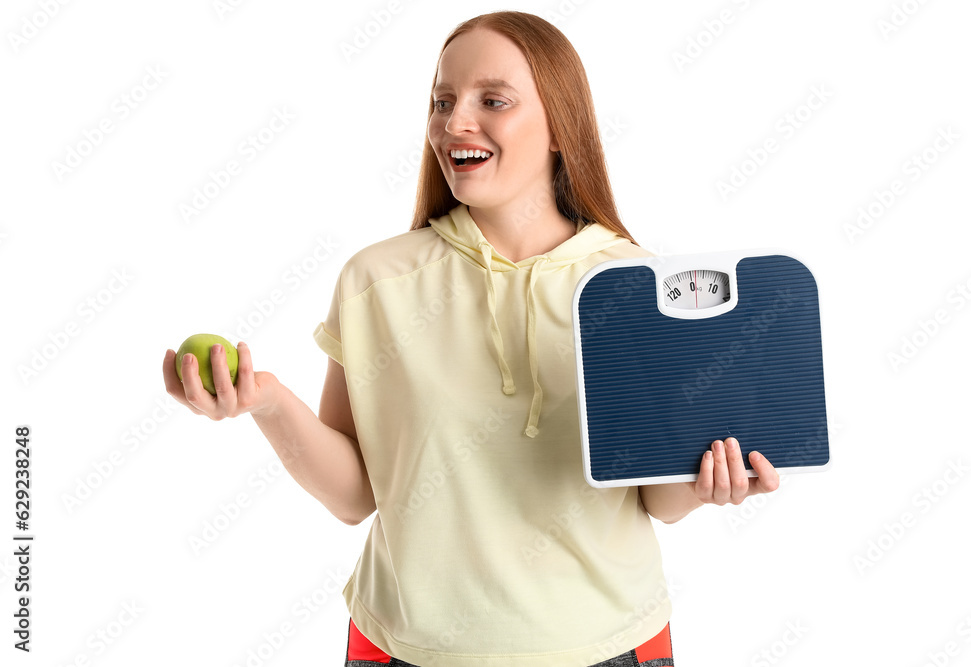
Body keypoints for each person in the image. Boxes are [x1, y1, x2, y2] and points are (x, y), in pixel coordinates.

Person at [163, 10, 780, 667]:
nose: (455, 122)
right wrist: (268, 400)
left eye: (493, 101)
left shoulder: (635, 284)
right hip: (405, 649)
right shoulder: (377, 280)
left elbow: (655, 497)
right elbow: (355, 497)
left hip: (609, 646)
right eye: (442, 101)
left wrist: (711, 478)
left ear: (559, 126)